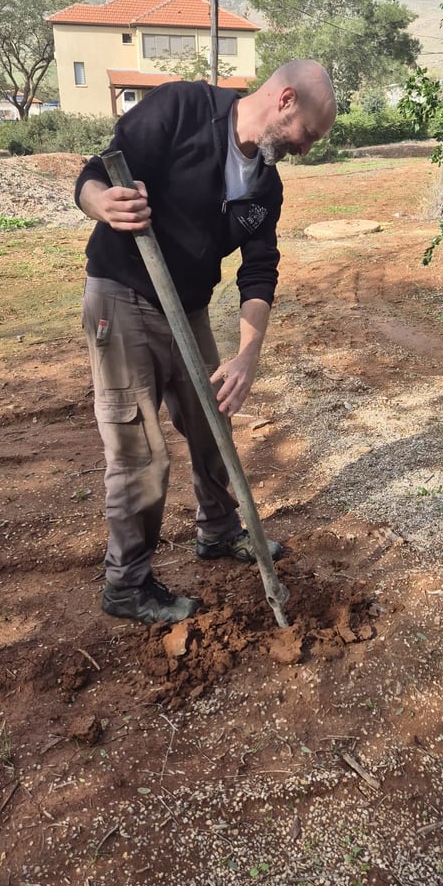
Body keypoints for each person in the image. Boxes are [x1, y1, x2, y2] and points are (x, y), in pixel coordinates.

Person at [76, 60, 337, 626]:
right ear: (285, 100)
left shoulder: (266, 184)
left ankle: (218, 531)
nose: (307, 148)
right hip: (123, 295)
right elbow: (97, 172)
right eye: (308, 135)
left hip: (187, 308)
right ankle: (128, 583)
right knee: (139, 452)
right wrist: (101, 203)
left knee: (211, 422)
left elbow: (259, 270)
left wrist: (248, 353)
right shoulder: (182, 109)